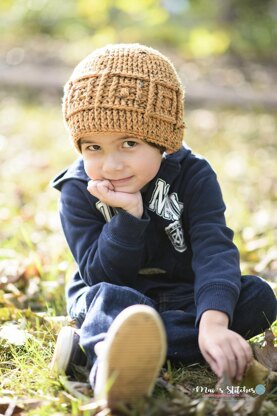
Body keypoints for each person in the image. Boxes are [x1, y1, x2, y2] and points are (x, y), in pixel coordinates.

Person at [51, 43, 276, 407]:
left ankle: (101, 346)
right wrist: (128, 217)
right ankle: (114, 370)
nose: (110, 165)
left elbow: (213, 248)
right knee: (111, 301)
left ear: (164, 141)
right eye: (93, 147)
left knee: (258, 297)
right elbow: (98, 275)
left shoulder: (194, 175)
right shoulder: (78, 189)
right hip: (112, 293)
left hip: (183, 293)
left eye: (128, 143)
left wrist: (214, 322)